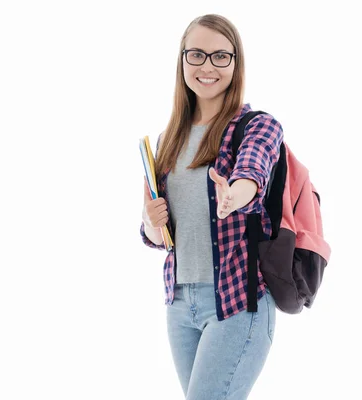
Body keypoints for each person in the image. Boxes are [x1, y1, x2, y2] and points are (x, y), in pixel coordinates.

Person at [140, 14, 284, 400]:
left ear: (236, 63)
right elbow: (163, 236)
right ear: (182, 60)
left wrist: (234, 195)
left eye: (221, 56)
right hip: (178, 303)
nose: (208, 66)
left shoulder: (257, 125)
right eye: (197, 55)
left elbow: (253, 169)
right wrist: (151, 224)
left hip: (237, 303)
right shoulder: (168, 140)